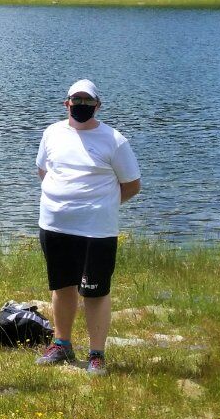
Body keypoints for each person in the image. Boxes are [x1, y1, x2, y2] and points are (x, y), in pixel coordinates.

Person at [34, 79, 141, 376]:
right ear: (66, 104)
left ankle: (96, 354)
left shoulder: (114, 140)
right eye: (75, 101)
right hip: (54, 225)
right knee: (62, 286)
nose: (81, 106)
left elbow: (132, 185)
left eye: (87, 102)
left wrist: (102, 206)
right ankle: (61, 344)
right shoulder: (52, 133)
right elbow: (44, 171)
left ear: (97, 105)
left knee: (94, 292)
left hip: (97, 230)